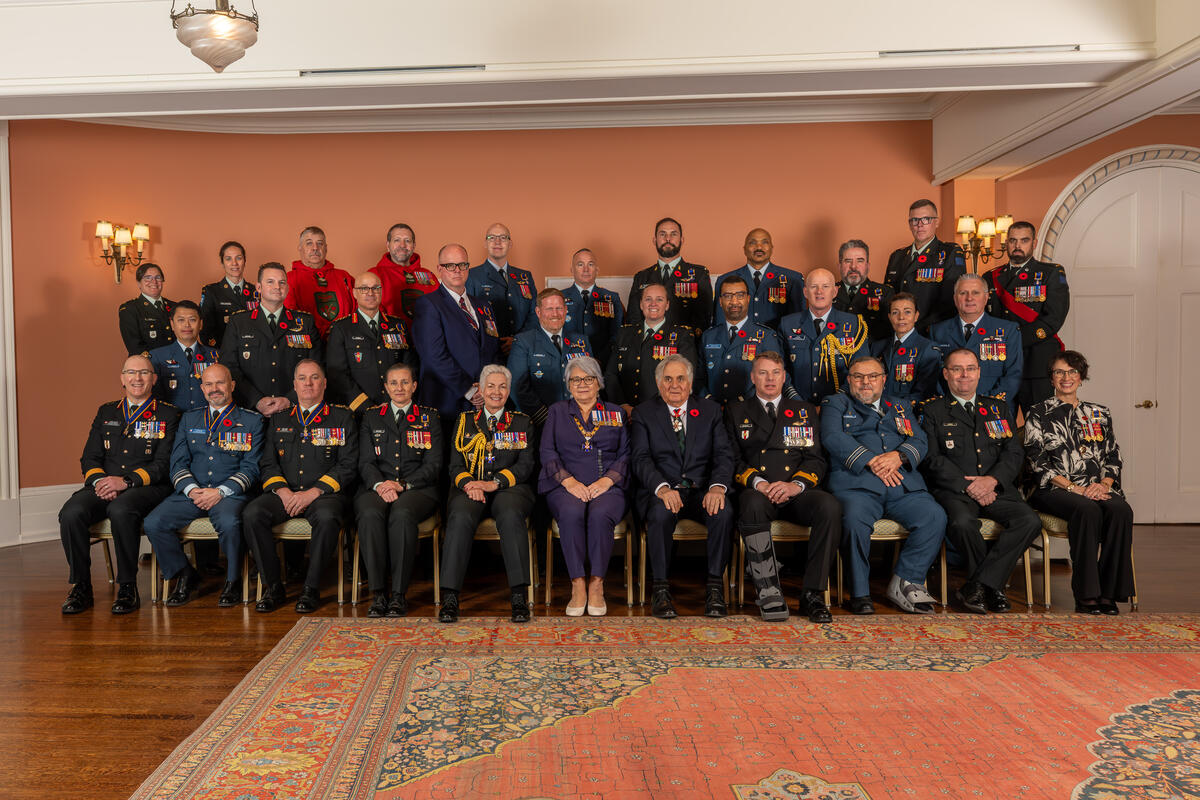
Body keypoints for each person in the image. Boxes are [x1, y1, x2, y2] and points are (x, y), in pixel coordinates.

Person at [820, 355, 946, 615]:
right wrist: (872, 460)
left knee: (934, 515)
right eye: (858, 377)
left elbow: (920, 440)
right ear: (849, 380)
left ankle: (906, 582)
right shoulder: (835, 403)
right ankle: (860, 593)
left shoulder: (900, 406)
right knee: (853, 521)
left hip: (903, 486)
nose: (866, 382)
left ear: (884, 379)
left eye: (873, 376)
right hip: (857, 486)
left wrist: (899, 456)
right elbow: (832, 437)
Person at [920, 348, 1042, 613]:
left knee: (1029, 521)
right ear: (946, 374)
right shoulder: (932, 410)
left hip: (996, 488)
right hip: (956, 491)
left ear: (979, 372)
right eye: (957, 369)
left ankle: (980, 585)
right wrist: (969, 486)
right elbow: (931, 458)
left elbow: (1013, 452)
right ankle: (993, 589)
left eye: (970, 368)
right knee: (962, 524)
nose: (964, 375)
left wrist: (993, 480)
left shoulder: (998, 408)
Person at [59, 356, 180, 615]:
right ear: (122, 378)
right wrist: (103, 483)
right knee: (71, 513)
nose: (137, 378)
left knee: (121, 510)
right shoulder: (107, 411)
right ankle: (81, 586)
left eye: (144, 373)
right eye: (131, 372)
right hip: (105, 484)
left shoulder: (169, 414)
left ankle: (127, 586)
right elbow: (90, 458)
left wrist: (125, 482)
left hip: (146, 487)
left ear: (154, 379)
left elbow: (164, 464)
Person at [726, 352, 839, 623]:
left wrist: (795, 485)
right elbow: (732, 458)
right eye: (763, 373)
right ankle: (768, 591)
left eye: (775, 372)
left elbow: (815, 459)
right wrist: (760, 483)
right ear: (753, 377)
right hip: (759, 490)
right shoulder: (736, 410)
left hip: (794, 491)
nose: (770, 379)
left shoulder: (804, 410)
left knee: (830, 507)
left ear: (784, 377)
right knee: (751, 503)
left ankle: (813, 594)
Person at [143, 363, 263, 607]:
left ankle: (233, 581)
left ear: (232, 385)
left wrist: (220, 492)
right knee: (153, 523)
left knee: (230, 523)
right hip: (192, 492)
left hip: (230, 494)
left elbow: (252, 468)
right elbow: (177, 463)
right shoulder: (189, 418)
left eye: (220, 382)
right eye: (208, 384)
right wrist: (192, 490)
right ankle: (185, 574)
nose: (214, 388)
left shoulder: (252, 421)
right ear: (202, 388)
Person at [1024, 350, 1134, 614]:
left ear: (1081, 377)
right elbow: (1038, 462)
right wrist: (1075, 488)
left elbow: (1113, 456)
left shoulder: (1099, 413)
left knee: (1121, 510)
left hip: (1096, 487)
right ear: (1051, 378)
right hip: (1053, 489)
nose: (1066, 377)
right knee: (1087, 509)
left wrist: (1104, 485)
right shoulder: (1038, 413)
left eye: (1072, 372)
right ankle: (1087, 594)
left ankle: (1108, 593)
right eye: (1059, 372)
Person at [244, 360, 357, 613]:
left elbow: (348, 465)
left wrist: (313, 493)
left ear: (324, 384)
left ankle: (311, 588)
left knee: (327, 518)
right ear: (294, 385)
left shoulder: (342, 417)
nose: (308, 383)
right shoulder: (279, 419)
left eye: (314, 378)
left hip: (324, 494)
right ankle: (273, 586)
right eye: (302, 378)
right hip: (285, 492)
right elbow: (268, 463)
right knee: (252, 514)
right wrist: (283, 491)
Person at [630, 354, 734, 619]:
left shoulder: (710, 411)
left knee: (723, 512)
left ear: (690, 382)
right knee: (660, 514)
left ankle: (715, 589)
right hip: (663, 491)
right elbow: (640, 458)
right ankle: (661, 589)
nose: (674, 385)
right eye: (668, 379)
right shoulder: (644, 412)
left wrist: (717, 488)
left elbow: (723, 455)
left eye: (680, 379)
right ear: (658, 383)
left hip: (702, 490)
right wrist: (662, 488)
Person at [441, 365, 536, 623]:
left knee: (510, 514)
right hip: (471, 487)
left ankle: (519, 596)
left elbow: (526, 465)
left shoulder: (522, 422)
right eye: (491, 386)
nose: (496, 392)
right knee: (460, 515)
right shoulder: (464, 421)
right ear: (481, 390)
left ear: (509, 390)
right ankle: (450, 597)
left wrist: (494, 483)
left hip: (510, 488)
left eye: (502, 386)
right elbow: (454, 465)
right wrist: (470, 484)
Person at [539, 356, 629, 617]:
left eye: (588, 378)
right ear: (568, 384)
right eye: (575, 379)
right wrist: (569, 482)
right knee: (571, 512)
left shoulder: (616, 413)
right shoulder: (557, 412)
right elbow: (547, 452)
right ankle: (577, 583)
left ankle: (597, 583)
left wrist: (607, 480)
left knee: (600, 514)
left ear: (598, 383)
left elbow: (626, 454)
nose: (582, 384)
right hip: (564, 486)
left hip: (608, 486)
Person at [355, 363, 443, 617]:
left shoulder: (429, 417)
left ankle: (398, 595)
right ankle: (378, 594)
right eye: (393, 383)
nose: (399, 388)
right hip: (378, 486)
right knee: (369, 514)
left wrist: (402, 484)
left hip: (418, 489)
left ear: (414, 386)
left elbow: (434, 465)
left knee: (402, 514)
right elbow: (366, 462)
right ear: (385, 387)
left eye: (405, 382)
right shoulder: (371, 417)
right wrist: (381, 485)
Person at [411, 244, 501, 439]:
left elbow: (493, 350)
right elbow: (434, 356)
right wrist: (469, 390)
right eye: (450, 265)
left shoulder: (483, 305)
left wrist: (488, 388)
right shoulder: (429, 304)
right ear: (439, 269)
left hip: (483, 402)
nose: (457, 270)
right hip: (446, 402)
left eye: (462, 265)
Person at [985, 221, 1070, 413]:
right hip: (1000, 364)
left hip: (1035, 363)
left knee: (1039, 424)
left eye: (1024, 240)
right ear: (1006, 243)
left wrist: (1013, 339)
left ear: (1034, 243)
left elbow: (1053, 319)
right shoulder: (990, 277)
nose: (1017, 246)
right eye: (1012, 241)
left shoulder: (1050, 273)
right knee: (998, 424)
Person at [221, 262, 323, 418]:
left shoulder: (305, 323)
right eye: (270, 282)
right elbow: (228, 367)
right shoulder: (239, 323)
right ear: (258, 287)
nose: (277, 287)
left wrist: (290, 400)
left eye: (282, 282)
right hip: (249, 412)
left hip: (294, 411)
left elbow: (317, 367)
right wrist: (256, 400)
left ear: (287, 288)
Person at [326, 270, 417, 414]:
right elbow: (337, 374)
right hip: (358, 411)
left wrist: (397, 402)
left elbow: (409, 367)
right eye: (364, 288)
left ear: (381, 291)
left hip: (395, 407)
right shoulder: (341, 328)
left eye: (376, 288)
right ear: (354, 293)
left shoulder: (398, 326)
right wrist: (366, 407)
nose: (371, 293)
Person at [604, 283, 699, 415]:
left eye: (659, 299)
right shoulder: (625, 333)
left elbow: (687, 378)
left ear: (667, 305)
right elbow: (611, 374)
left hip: (661, 413)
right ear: (641, 304)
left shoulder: (681, 335)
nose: (653, 304)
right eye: (648, 299)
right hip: (625, 412)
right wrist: (622, 405)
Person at [930, 274, 1023, 403]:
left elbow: (1013, 375)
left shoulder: (1008, 330)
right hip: (949, 408)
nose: (969, 298)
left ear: (986, 297)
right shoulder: (938, 331)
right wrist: (948, 405)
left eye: (975, 293)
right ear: (955, 298)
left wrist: (986, 405)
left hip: (994, 407)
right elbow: (933, 375)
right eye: (963, 293)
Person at [779, 268, 866, 404]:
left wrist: (833, 404)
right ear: (805, 292)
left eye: (825, 286)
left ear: (835, 292)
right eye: (814, 286)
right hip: (797, 405)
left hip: (840, 405)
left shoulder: (853, 324)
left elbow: (861, 369)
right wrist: (796, 400)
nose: (819, 291)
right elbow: (778, 368)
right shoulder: (788, 324)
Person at [507, 288, 591, 426]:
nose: (555, 314)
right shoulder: (524, 342)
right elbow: (517, 387)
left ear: (565, 310)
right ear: (538, 312)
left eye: (559, 308)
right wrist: (547, 418)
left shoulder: (581, 341)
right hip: (539, 423)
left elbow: (592, 382)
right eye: (549, 309)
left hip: (578, 420)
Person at [882, 199, 966, 333]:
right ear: (910, 224)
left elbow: (950, 302)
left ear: (936, 222)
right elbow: (889, 298)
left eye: (926, 219)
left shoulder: (950, 253)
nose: (919, 225)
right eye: (915, 220)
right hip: (899, 331)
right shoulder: (897, 256)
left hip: (931, 332)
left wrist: (919, 329)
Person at [700, 274, 785, 405]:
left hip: (749, 409)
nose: (734, 301)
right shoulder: (708, 336)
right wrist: (710, 402)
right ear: (720, 301)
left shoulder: (766, 336)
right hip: (713, 409)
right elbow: (698, 378)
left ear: (748, 299)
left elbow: (773, 377)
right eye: (728, 296)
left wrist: (740, 404)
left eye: (740, 295)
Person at [625, 217, 713, 336]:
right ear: (654, 240)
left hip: (686, 343)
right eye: (662, 234)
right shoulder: (642, 277)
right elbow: (633, 318)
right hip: (649, 343)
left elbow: (705, 317)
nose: (668, 239)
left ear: (682, 240)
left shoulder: (699, 274)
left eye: (673, 234)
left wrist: (685, 342)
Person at [466, 223, 537, 356]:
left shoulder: (525, 276)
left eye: (503, 237)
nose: (497, 242)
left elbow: (534, 314)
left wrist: (517, 340)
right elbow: (469, 317)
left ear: (510, 244)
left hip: (522, 350)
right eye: (492, 237)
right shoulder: (471, 276)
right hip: (488, 351)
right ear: (485, 243)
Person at [713, 228, 804, 331]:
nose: (759, 247)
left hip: (778, 339)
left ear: (772, 248)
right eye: (752, 243)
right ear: (744, 249)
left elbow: (799, 321)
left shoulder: (792, 279)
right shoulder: (725, 281)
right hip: (739, 340)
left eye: (765, 242)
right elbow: (719, 323)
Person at [284, 226, 356, 337]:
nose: (315, 248)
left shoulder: (344, 276)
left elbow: (359, 311)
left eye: (320, 243)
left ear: (326, 248)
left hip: (345, 340)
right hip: (309, 342)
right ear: (300, 248)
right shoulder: (289, 279)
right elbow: (288, 316)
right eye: (309, 243)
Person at [870, 293, 941, 403]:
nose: (901, 317)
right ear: (889, 317)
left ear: (916, 316)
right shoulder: (877, 347)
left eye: (907, 312)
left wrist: (892, 408)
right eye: (895, 312)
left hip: (907, 409)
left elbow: (923, 393)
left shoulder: (928, 349)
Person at [149, 300, 220, 411]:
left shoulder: (215, 356)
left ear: (201, 324)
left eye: (192, 320)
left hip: (206, 418)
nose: (187, 325)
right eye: (181, 320)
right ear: (172, 324)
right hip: (172, 419)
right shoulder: (157, 357)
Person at [561, 248, 624, 367]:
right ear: (572, 270)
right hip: (568, 364)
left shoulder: (612, 298)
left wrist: (599, 361)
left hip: (603, 364)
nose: (586, 269)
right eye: (580, 264)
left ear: (597, 270)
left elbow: (617, 335)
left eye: (590, 264)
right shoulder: (559, 297)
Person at [370, 222, 439, 325]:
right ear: (388, 245)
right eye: (397, 240)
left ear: (414, 245)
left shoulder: (428, 275)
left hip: (428, 333)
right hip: (390, 333)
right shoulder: (375, 275)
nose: (402, 245)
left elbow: (441, 309)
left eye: (407, 240)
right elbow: (370, 314)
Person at [199, 241, 258, 348]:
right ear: (222, 263)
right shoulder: (211, 291)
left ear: (245, 261)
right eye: (228, 259)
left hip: (253, 350)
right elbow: (205, 331)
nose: (234, 263)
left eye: (239, 258)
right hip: (223, 351)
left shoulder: (256, 291)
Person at [833, 239, 894, 341]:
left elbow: (890, 334)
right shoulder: (828, 292)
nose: (853, 266)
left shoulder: (885, 293)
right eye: (848, 261)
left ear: (868, 266)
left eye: (860, 261)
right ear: (839, 266)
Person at [118, 262, 174, 355]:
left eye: (158, 277)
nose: (154, 282)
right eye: (148, 278)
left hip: (177, 361)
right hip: (147, 362)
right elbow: (135, 347)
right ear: (139, 283)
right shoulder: (130, 309)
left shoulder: (174, 307)